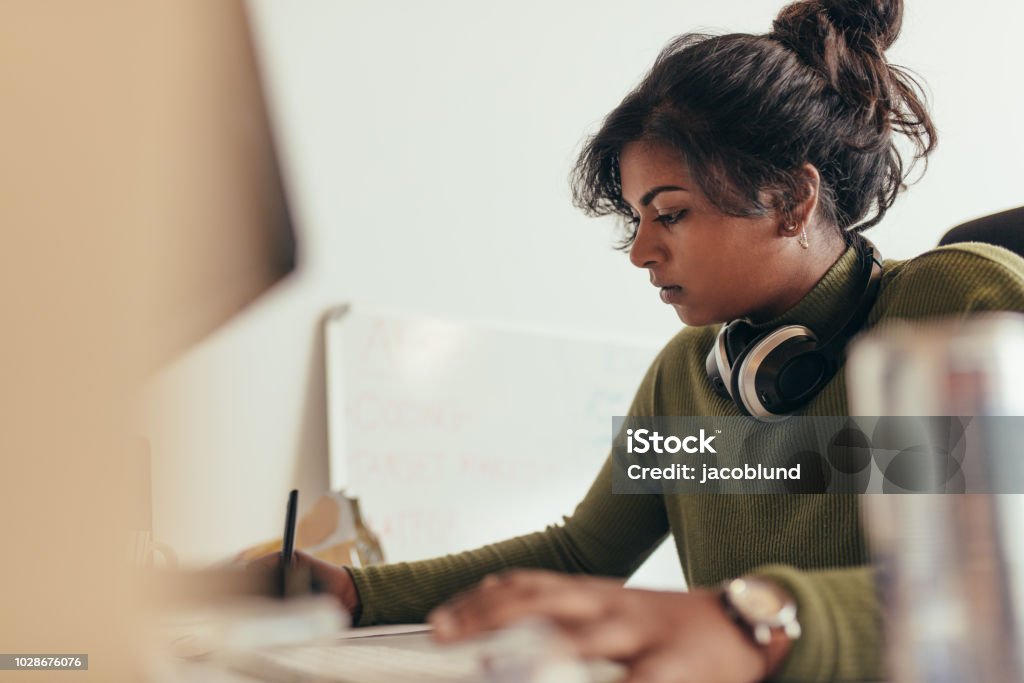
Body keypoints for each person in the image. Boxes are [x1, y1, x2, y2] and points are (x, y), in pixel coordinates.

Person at [256, 0, 1024, 680]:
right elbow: (583, 554)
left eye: (673, 213)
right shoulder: (690, 376)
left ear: (792, 198)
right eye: (637, 218)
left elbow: (998, 585)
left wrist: (753, 621)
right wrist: (355, 590)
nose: (641, 251)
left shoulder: (956, 303)